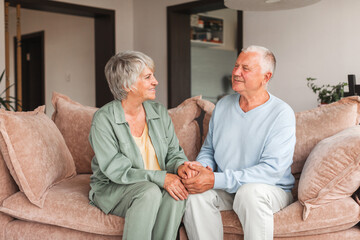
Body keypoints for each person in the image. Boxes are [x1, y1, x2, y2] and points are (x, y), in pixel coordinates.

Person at [180, 45, 296, 240]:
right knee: (195, 195)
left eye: (245, 68)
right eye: (236, 66)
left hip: (269, 189)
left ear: (266, 77)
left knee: (249, 193)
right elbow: (209, 148)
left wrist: (216, 179)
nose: (236, 72)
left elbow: (271, 171)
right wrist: (199, 169)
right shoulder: (223, 105)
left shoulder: (281, 114)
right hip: (227, 187)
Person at [88, 50, 193, 240]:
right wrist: (161, 178)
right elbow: (117, 170)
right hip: (115, 187)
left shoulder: (159, 112)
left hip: (155, 183)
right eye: (147, 77)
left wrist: (181, 166)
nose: (155, 81)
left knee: (177, 194)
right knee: (149, 192)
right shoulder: (104, 120)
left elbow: (173, 152)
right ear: (126, 85)